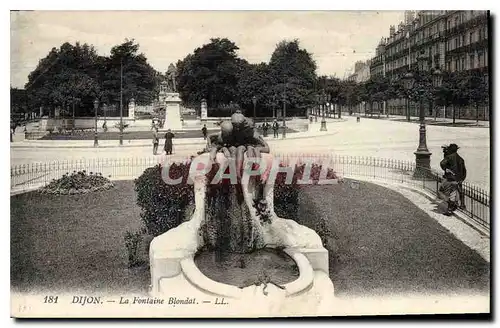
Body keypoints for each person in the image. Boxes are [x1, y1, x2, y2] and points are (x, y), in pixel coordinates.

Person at [440, 143, 467, 209]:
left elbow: (442, 163)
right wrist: (461, 179)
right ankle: (462, 205)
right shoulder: (461, 159)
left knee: (442, 191)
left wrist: (446, 169)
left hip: (450, 178)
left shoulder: (449, 157)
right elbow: (464, 171)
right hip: (458, 178)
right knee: (458, 191)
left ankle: (452, 204)